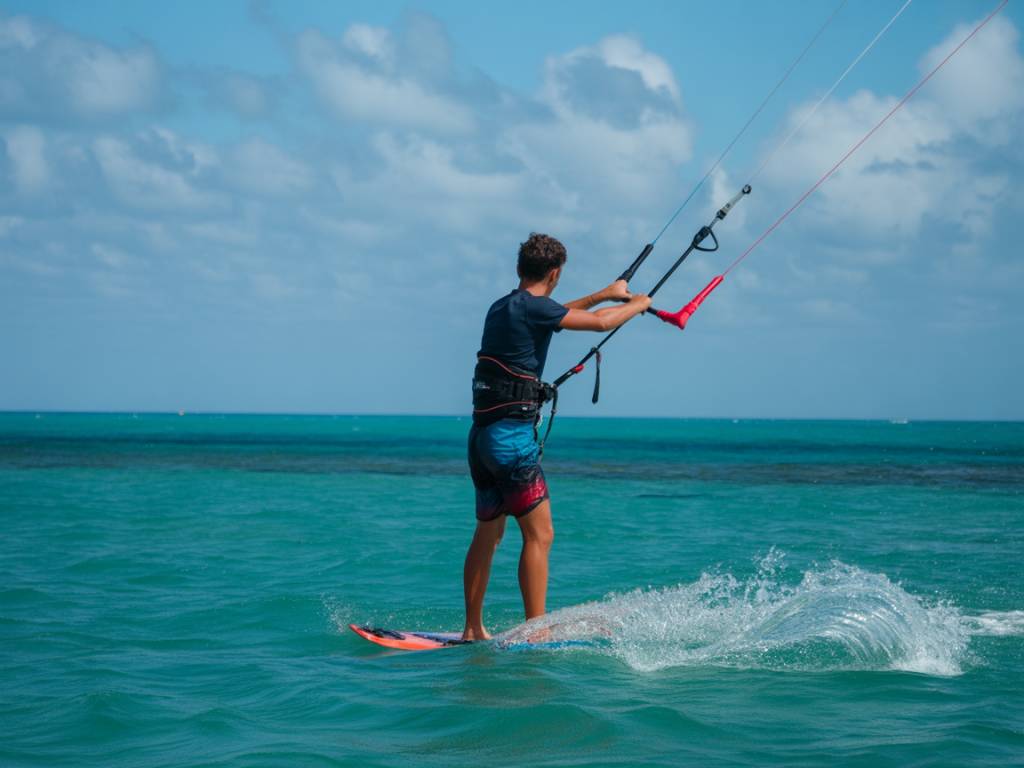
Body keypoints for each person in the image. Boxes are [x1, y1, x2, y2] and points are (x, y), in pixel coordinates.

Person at [462, 233, 652, 641]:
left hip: (481, 440)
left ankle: (472, 629)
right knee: (540, 535)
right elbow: (598, 323)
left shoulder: (503, 307)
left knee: (489, 533)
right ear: (555, 273)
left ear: (520, 269)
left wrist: (606, 292)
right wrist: (637, 305)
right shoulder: (535, 310)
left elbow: (555, 313)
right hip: (512, 441)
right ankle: (537, 633)